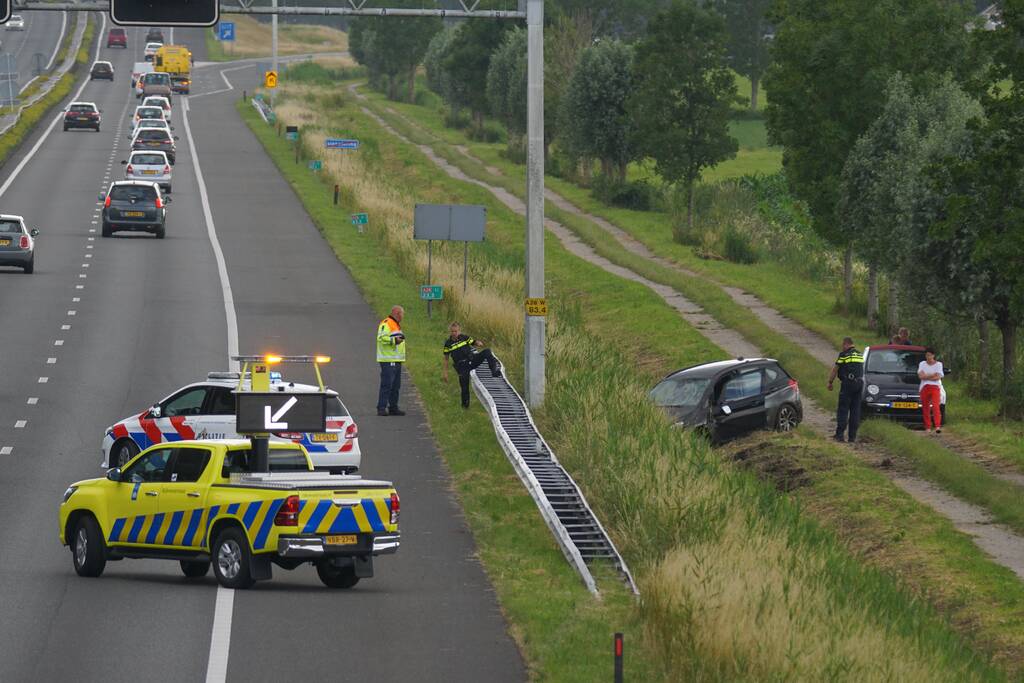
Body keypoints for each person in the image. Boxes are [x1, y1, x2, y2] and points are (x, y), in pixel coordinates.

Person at [442, 322, 501, 408]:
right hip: (462, 366)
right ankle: (465, 407)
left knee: (487, 351)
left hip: (472, 360)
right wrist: (445, 373)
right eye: (452, 331)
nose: (454, 333)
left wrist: (478, 343)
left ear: (459, 331)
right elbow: (446, 359)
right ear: (450, 332)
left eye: (456, 331)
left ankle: (494, 371)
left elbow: (473, 342)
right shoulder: (448, 344)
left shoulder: (464, 337)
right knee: (464, 387)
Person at [827, 336, 864, 442]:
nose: (842, 348)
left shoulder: (844, 355)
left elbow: (835, 369)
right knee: (855, 411)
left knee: (843, 409)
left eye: (842, 345)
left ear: (846, 344)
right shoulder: (860, 354)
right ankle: (852, 437)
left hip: (848, 383)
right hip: (859, 383)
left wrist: (830, 382)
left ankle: (840, 435)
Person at [376, 305, 406, 416]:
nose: (402, 316)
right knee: (387, 384)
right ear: (397, 313)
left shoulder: (396, 325)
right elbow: (381, 338)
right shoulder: (386, 323)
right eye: (402, 314)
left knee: (396, 385)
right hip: (388, 359)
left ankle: (393, 407)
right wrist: (394, 341)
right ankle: (381, 407)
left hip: (396, 360)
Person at [917, 347, 944, 433]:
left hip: (935, 387)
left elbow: (938, 377)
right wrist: (932, 375)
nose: (928, 357)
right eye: (927, 355)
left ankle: (937, 426)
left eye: (930, 355)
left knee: (936, 406)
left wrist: (927, 376)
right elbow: (921, 376)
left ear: (933, 355)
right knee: (926, 407)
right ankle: (928, 426)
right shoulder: (922, 364)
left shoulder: (939, 364)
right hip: (924, 387)